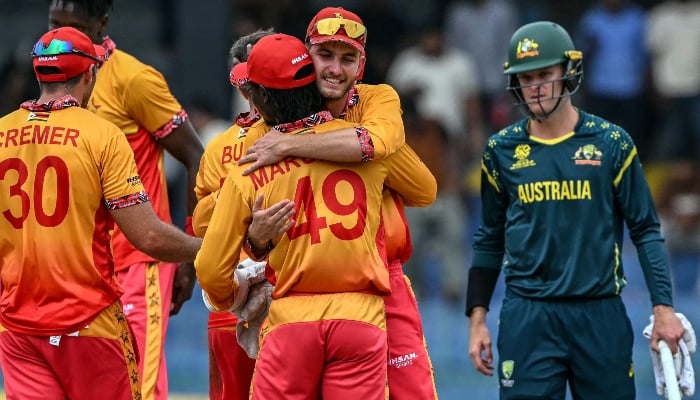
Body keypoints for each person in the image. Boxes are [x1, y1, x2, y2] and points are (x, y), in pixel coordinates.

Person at [195, 33, 435, 400]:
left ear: (256, 98)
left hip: (289, 317)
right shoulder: (364, 143)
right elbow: (423, 190)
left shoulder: (248, 161)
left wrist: (235, 289)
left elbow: (211, 268)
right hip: (361, 315)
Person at [466, 21, 686, 399]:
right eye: (525, 77)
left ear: (568, 72)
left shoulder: (612, 142)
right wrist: (478, 318)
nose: (534, 87)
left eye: (544, 74)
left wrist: (663, 309)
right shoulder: (500, 150)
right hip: (527, 317)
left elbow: (646, 229)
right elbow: (489, 237)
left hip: (599, 315)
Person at [0, 27, 202, 400]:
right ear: (90, 74)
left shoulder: (2, 133)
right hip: (90, 323)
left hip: (18, 329)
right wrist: (210, 247)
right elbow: (149, 237)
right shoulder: (103, 134)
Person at [192, 28, 294, 400]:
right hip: (234, 302)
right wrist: (241, 201)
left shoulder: (319, 135)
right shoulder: (220, 145)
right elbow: (201, 222)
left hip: (298, 298)